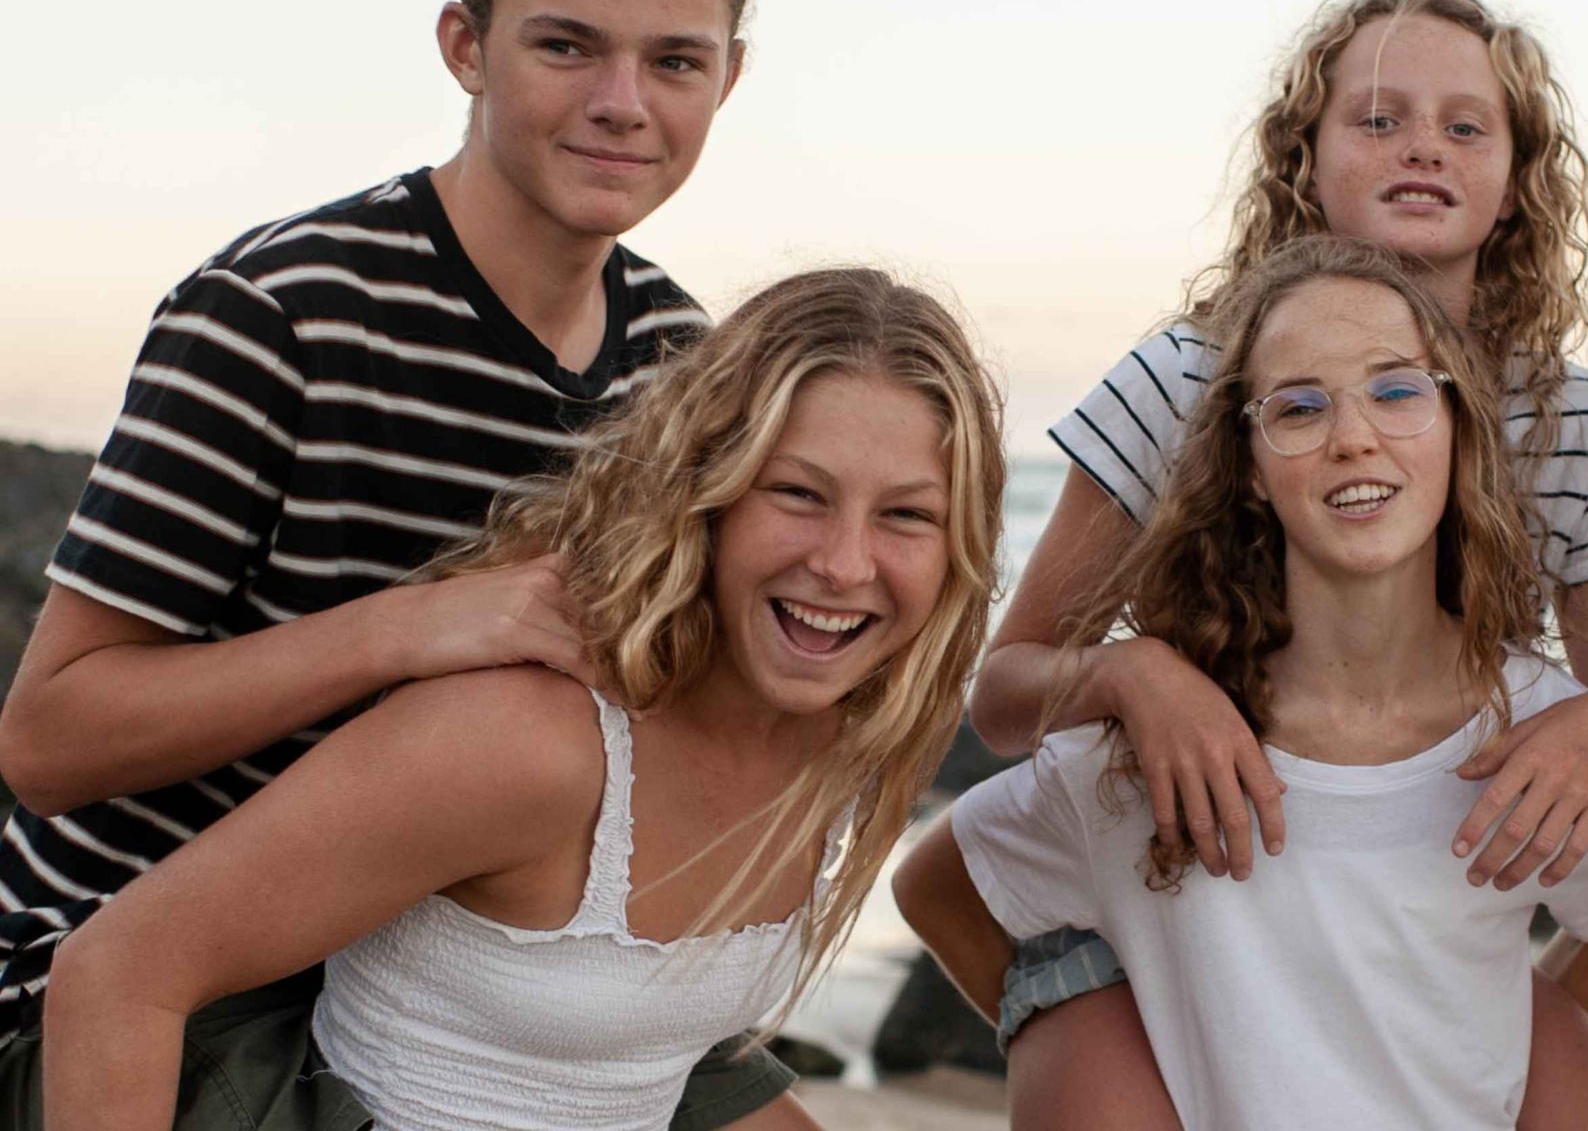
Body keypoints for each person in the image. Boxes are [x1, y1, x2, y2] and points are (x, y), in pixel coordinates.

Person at [0, 0, 809, 1120]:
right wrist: (401, 631)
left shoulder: (683, 366)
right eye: (565, 46)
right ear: (465, 46)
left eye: (674, 62)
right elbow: (49, 742)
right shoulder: (279, 314)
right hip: (170, 982)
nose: (621, 103)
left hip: (475, 957)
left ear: (729, 78)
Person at [971, 0, 1588, 1128]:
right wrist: (1132, 670)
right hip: (1220, 861)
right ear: (1302, 159)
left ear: (1515, 182)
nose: (1423, 146)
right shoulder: (1186, 383)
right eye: (1377, 118)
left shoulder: (1568, 421)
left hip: (1413, 859)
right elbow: (1005, 700)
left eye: (1466, 125)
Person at [38, 267, 1006, 1130]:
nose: (843, 564)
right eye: (798, 492)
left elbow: (653, 1055)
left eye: (906, 515)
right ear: (709, 492)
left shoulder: (849, 735)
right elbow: (114, 978)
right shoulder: (533, 741)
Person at [897, 235, 1588, 1129]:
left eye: (1398, 390)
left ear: (1458, 432)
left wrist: (1517, 1053)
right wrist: (1081, 1035)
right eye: (1299, 409)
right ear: (1251, 469)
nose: (1354, 436)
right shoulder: (1172, 742)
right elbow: (936, 885)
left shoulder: (1539, 731)